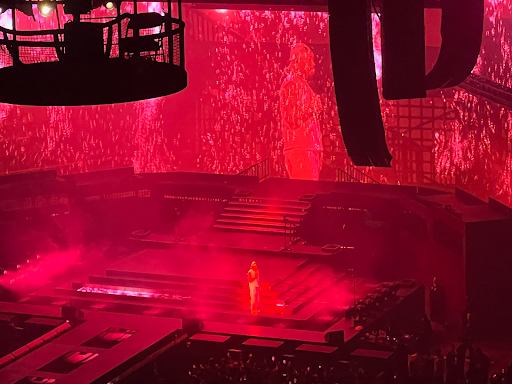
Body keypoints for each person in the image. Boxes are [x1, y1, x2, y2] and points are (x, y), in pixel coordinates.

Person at [279, 43, 323, 180]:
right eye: (309, 59)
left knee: (310, 193)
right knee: (305, 194)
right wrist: (313, 108)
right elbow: (292, 118)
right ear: (297, 61)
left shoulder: (300, 84)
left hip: (308, 149)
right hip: (301, 150)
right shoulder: (291, 83)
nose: (313, 63)